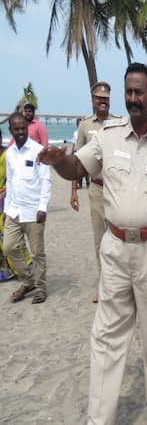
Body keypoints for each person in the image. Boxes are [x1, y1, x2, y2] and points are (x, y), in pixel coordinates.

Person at [38, 62, 147, 425]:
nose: (132, 99)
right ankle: (100, 418)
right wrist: (58, 162)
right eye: (128, 92)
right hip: (114, 250)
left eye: (139, 93)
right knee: (107, 337)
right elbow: (77, 168)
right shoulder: (107, 135)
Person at [71, 81, 118, 304]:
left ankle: (118, 284)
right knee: (100, 240)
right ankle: (103, 285)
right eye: (99, 99)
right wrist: (73, 190)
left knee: (118, 239)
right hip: (97, 190)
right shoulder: (85, 126)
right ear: (93, 100)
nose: (103, 102)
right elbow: (77, 160)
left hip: (117, 190)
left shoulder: (118, 123)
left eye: (106, 99)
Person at [5, 112, 51, 304]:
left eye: (23, 128)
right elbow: (10, 181)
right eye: (16, 129)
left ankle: (40, 287)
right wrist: (7, 207)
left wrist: (42, 207)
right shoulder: (9, 153)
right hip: (14, 210)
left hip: (34, 211)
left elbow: (46, 180)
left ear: (27, 128)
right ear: (11, 130)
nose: (21, 132)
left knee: (37, 252)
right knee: (9, 247)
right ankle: (28, 279)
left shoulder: (38, 151)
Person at [0, 127, 17, 281]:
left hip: (5, 199)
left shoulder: (7, 155)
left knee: (5, 235)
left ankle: (13, 268)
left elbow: (12, 179)